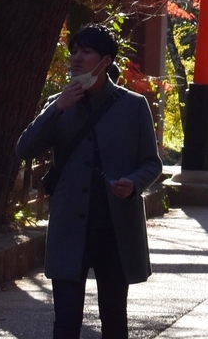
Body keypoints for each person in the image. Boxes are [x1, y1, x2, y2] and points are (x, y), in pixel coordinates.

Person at [16, 24, 163, 339]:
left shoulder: (133, 105)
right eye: (74, 52)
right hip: (70, 224)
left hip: (114, 226)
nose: (76, 59)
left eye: (86, 52)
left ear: (105, 60)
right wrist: (56, 110)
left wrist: (133, 183)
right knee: (66, 322)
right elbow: (24, 149)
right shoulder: (60, 102)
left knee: (114, 320)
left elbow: (152, 163)